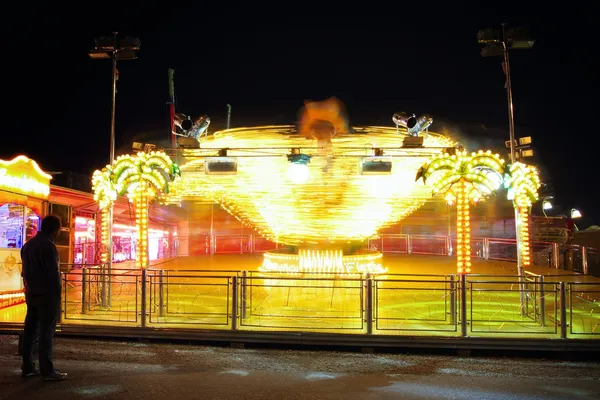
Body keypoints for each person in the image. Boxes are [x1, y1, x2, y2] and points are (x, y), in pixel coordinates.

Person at [20, 215, 67, 381]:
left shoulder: (27, 246)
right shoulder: (49, 247)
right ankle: (47, 370)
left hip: (31, 293)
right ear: (55, 230)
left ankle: (28, 366)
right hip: (47, 295)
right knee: (46, 332)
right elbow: (53, 274)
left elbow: (23, 271)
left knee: (30, 331)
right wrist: (58, 295)